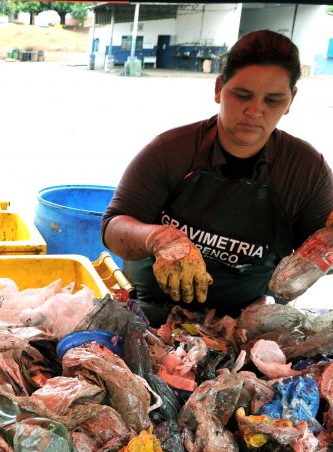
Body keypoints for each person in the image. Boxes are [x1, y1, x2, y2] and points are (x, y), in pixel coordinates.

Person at [101, 29, 333, 325]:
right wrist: (159, 238)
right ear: (219, 88)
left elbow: (319, 246)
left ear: (290, 101)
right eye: (242, 95)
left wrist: (327, 246)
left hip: (240, 320)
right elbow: (114, 226)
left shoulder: (306, 170)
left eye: (273, 100)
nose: (254, 111)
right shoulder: (170, 151)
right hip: (150, 310)